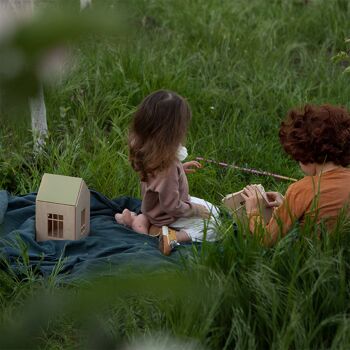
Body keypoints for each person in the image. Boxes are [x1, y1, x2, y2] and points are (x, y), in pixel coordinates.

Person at [115, 90, 219, 253]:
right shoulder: (168, 166)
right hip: (169, 214)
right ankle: (171, 236)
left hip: (151, 207)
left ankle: (139, 221)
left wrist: (180, 171)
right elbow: (172, 206)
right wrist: (195, 210)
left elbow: (158, 181)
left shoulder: (148, 149)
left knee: (213, 209)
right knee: (213, 225)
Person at [242, 104, 350, 246]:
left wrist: (254, 211)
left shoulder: (301, 190)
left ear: (305, 154)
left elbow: (266, 240)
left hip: (311, 260)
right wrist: (288, 205)